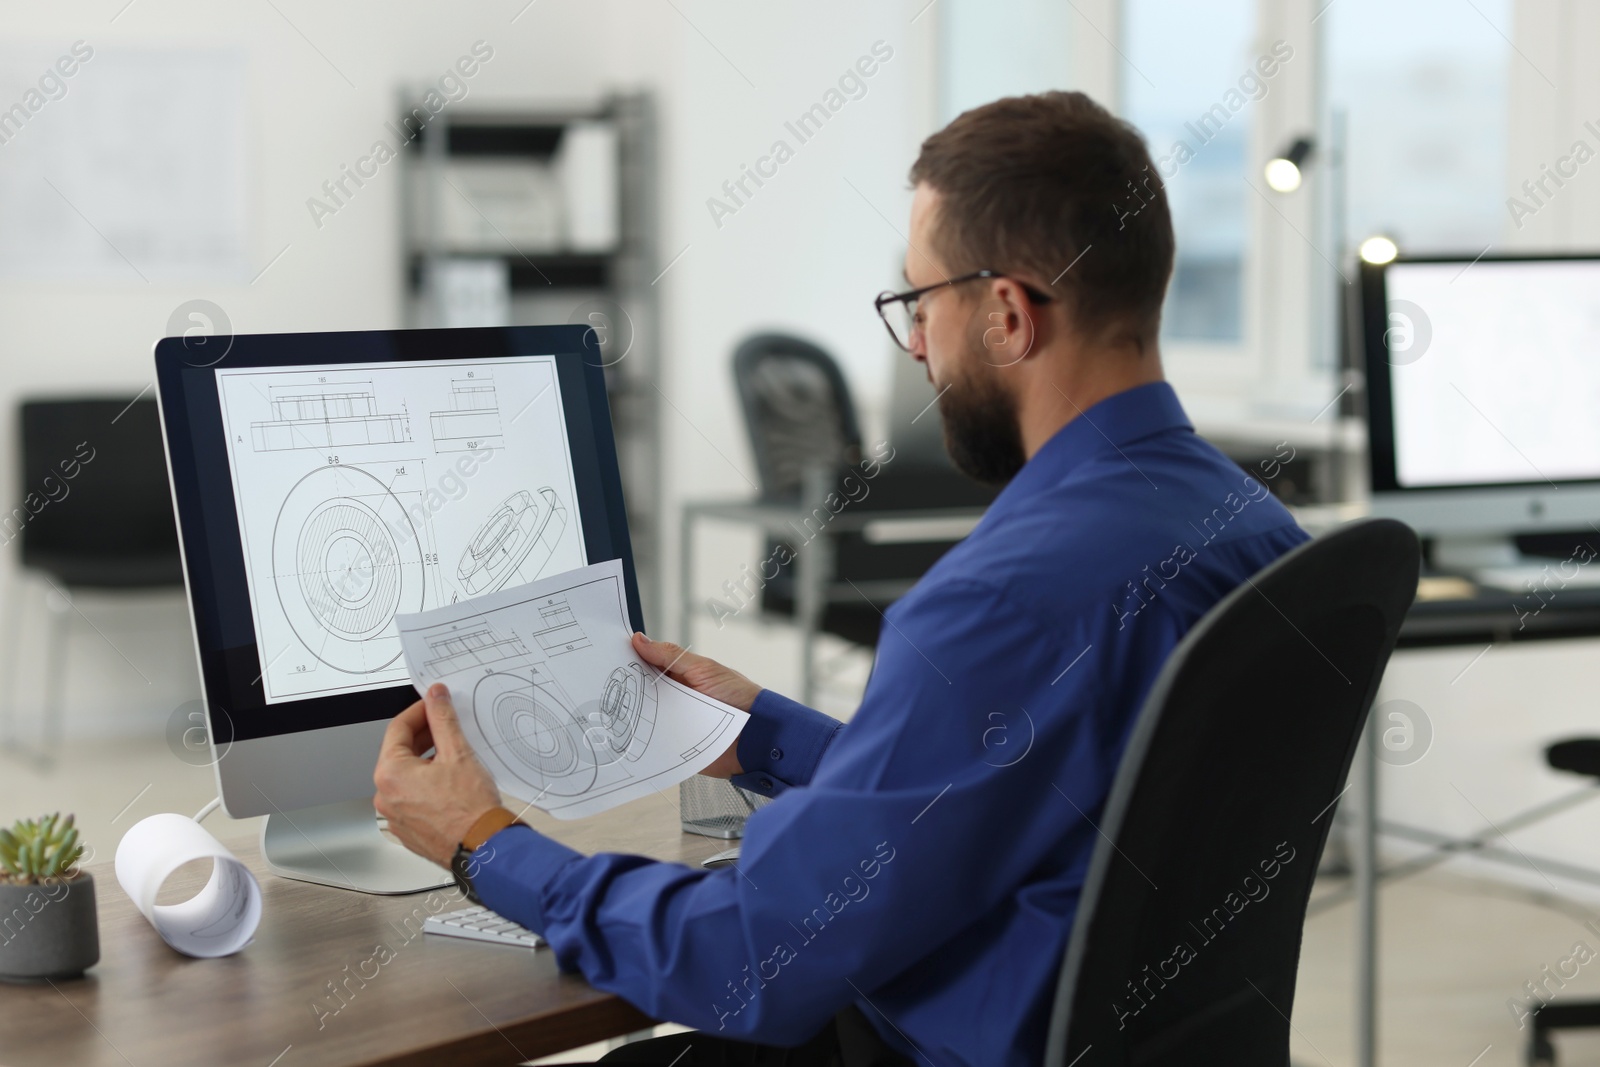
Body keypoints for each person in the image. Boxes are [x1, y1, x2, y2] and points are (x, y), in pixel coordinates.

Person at [372, 90, 1310, 1066]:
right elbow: (1020, 787)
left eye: (921, 302)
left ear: (1004, 314)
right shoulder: (1251, 529)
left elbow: (750, 961)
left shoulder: (1003, 600)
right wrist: (763, 732)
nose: (916, 344)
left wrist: (483, 844)